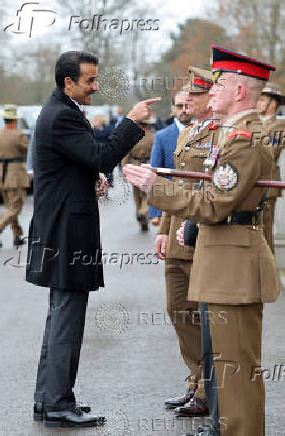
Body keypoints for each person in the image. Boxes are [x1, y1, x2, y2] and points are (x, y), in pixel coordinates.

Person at [123, 46, 279, 436]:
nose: (212, 92)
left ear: (240, 91)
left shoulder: (244, 140)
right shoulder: (234, 135)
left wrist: (155, 187)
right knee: (228, 369)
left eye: (221, 84)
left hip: (234, 265)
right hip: (225, 261)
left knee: (236, 370)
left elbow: (215, 204)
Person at [26, 50, 160, 428]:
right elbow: (102, 155)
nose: (96, 86)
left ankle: (50, 399)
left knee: (60, 317)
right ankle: (56, 404)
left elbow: (81, 160)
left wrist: (89, 176)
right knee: (67, 319)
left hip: (61, 227)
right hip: (66, 232)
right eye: (89, 80)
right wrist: (131, 123)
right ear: (68, 82)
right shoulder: (64, 114)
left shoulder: (59, 110)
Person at [160, 67, 218, 419]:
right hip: (177, 234)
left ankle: (206, 390)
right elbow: (178, 188)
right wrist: (164, 228)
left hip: (201, 235)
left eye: (192, 97)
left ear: (209, 98)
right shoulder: (188, 133)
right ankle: (195, 379)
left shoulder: (218, 135)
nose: (186, 104)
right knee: (178, 309)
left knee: (206, 317)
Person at [148, 91, 191, 226]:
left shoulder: (204, 132)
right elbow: (155, 173)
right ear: (172, 109)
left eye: (187, 106)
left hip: (197, 202)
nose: (184, 110)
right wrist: (155, 212)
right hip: (170, 203)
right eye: (179, 106)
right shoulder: (161, 136)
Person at [0, 104, 29, 248]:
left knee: (10, 206)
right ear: (14, 120)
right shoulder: (19, 135)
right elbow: (28, 150)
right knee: (16, 207)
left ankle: (17, 236)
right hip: (16, 174)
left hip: (2, 174)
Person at [257, 82, 285, 252]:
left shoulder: (279, 126)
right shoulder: (255, 124)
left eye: (261, 100)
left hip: (268, 185)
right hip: (257, 183)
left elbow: (269, 152)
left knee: (265, 235)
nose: (257, 103)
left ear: (272, 104)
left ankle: (269, 277)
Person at [122, 117, 154, 231]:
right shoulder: (153, 136)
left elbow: (125, 155)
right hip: (148, 165)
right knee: (147, 193)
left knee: (137, 195)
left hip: (135, 166)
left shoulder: (131, 137)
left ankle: (140, 216)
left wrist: (124, 170)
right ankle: (143, 212)